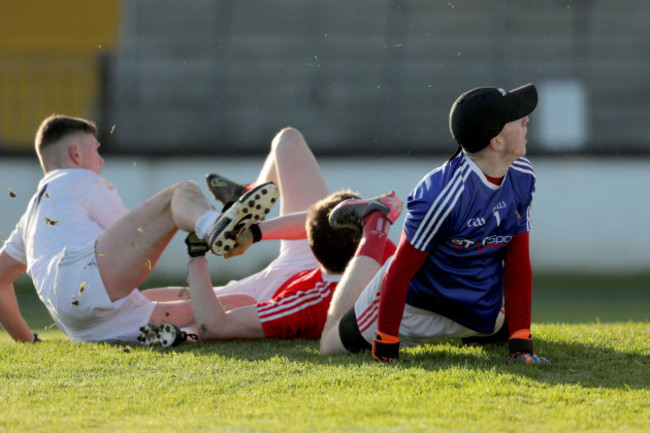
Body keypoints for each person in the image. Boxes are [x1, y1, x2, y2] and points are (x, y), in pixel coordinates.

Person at [319, 83, 550, 364]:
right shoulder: (440, 196)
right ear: (496, 142)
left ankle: (475, 327)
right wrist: (387, 345)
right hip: (414, 309)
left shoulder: (522, 174)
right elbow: (399, 273)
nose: (526, 120)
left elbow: (517, 263)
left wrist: (521, 344)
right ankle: (374, 224)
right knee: (330, 344)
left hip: (476, 308)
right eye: (517, 118)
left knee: (503, 330)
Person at [0, 114, 277, 343]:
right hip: (88, 279)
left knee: (238, 301)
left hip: (83, 326)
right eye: (95, 148)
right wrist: (187, 217)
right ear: (75, 153)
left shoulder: (32, 214)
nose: (101, 159)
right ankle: (215, 225)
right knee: (181, 192)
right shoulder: (79, 179)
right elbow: (138, 235)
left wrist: (28, 341)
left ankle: (186, 335)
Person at [138, 127, 399, 344]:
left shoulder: (306, 302)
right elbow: (322, 220)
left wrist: (197, 255)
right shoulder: (381, 249)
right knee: (288, 141)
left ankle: (177, 333)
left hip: (276, 288)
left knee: (199, 302)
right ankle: (244, 197)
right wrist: (253, 232)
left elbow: (215, 325)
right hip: (325, 258)